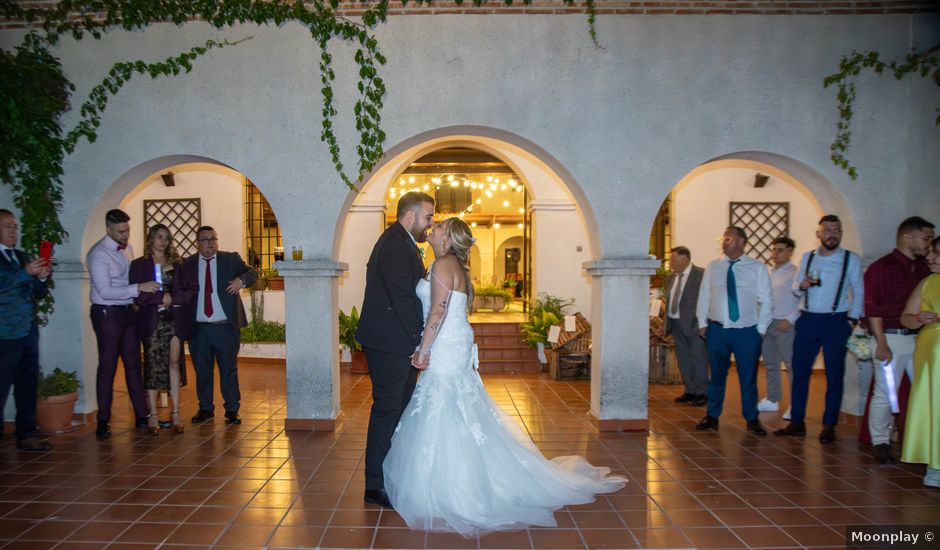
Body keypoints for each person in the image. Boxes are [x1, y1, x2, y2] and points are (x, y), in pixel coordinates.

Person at [383, 217, 626, 537]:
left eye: (439, 226)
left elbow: (438, 312)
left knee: (444, 406)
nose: (433, 228)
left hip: (444, 344)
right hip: (454, 341)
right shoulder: (450, 263)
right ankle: (459, 477)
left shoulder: (443, 264)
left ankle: (454, 487)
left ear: (448, 237)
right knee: (455, 408)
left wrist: (423, 350)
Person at [356, 191, 435, 508]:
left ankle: (389, 474)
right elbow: (402, 298)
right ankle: (374, 485)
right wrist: (421, 339)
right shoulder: (394, 246)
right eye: (427, 217)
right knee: (387, 411)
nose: (429, 224)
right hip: (390, 345)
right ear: (411, 214)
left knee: (398, 410)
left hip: (396, 342)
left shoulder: (403, 244)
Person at [775, 214, 863, 443]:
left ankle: (829, 424)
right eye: (827, 230)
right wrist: (801, 284)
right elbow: (795, 289)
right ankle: (796, 422)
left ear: (841, 234)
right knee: (800, 372)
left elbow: (859, 290)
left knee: (834, 375)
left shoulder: (850, 259)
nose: (832, 234)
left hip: (836, 321)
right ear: (819, 234)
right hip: (808, 320)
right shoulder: (808, 257)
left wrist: (852, 320)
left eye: (836, 230)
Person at [864, 216, 934, 463]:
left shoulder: (926, 268)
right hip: (891, 338)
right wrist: (881, 343)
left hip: (922, 339)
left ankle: (922, 440)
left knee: (925, 391)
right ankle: (880, 442)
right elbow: (872, 309)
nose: (929, 245)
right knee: (885, 393)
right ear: (907, 237)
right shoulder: (881, 268)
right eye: (925, 238)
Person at [694, 226, 773, 436]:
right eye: (724, 238)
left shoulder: (757, 268)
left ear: (740, 241)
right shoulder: (713, 267)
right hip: (717, 331)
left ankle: (752, 419)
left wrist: (761, 330)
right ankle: (712, 416)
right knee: (717, 376)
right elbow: (704, 296)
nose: (723, 242)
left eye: (728, 238)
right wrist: (702, 323)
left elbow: (767, 299)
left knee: (748, 378)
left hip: (747, 332)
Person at [87, 208, 157, 439]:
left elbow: (131, 278)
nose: (126, 236)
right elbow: (105, 290)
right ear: (109, 229)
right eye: (121, 232)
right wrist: (138, 288)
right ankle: (103, 420)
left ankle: (141, 414)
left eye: (128, 230)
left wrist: (137, 299)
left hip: (128, 312)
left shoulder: (129, 249)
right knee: (107, 366)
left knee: (133, 364)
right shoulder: (98, 253)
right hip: (107, 314)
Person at [185, 226, 256, 426]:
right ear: (197, 243)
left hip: (225, 327)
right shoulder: (188, 264)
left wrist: (241, 281)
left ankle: (232, 409)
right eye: (205, 240)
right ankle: (205, 408)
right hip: (198, 329)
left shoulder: (230, 259)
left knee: (228, 370)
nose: (210, 243)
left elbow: (252, 273)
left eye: (213, 239)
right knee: (202, 371)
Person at [129, 224, 196, 435]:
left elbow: (191, 289)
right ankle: (153, 415)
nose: (164, 241)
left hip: (174, 320)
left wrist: (172, 298)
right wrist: (160, 297)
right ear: (150, 239)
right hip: (151, 320)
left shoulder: (179, 263)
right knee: (152, 366)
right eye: (160, 237)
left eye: (167, 237)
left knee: (174, 363)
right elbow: (137, 294)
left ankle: (176, 412)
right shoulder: (139, 265)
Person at [0, 209, 53, 451]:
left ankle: (26, 433)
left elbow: (37, 293)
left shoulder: (21, 256)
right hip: (4, 334)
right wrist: (26, 273)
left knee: (27, 386)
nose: (14, 230)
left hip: (27, 331)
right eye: (8, 226)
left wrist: (41, 278)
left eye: (15, 226)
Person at [900, 236, 940, 488]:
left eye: (935, 253)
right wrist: (919, 317)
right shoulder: (927, 282)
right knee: (932, 405)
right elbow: (905, 318)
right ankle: (935, 465)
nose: (930, 257)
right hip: (930, 354)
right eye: (930, 252)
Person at [758, 237, 801, 419]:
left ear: (790, 251)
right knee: (770, 363)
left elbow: (802, 300)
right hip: (768, 322)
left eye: (780, 250)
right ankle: (772, 399)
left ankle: (795, 404)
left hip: (785, 324)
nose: (775, 253)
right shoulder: (768, 272)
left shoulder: (796, 274)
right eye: (774, 249)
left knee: (792, 366)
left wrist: (790, 320)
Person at [664, 246, 709, 406]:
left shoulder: (701, 275)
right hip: (676, 324)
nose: (671, 264)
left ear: (684, 259)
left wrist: (703, 322)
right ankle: (690, 390)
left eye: (673, 260)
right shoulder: (671, 277)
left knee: (699, 358)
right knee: (684, 359)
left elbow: (707, 300)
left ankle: (703, 392)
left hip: (694, 324)